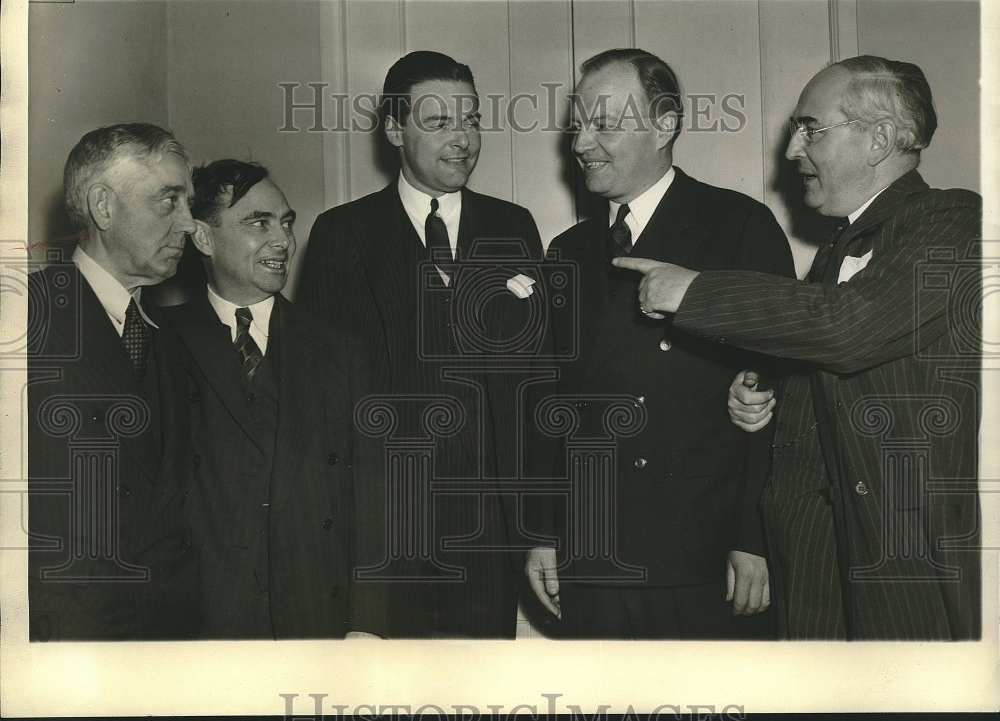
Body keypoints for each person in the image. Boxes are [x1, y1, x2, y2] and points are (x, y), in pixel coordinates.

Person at [616, 55, 982, 640]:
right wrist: (769, 396)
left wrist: (697, 291)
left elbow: (850, 327)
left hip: (906, 567)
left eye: (811, 129)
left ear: (879, 139)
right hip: (818, 568)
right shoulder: (836, 250)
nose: (791, 150)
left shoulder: (953, 220)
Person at [524, 48, 795, 638]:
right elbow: (551, 403)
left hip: (702, 552)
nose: (582, 143)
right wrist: (545, 532)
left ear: (665, 125)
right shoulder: (567, 251)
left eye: (605, 125)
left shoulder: (738, 226)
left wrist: (755, 539)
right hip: (593, 550)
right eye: (578, 124)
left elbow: (774, 394)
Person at [296, 51, 550, 638]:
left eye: (471, 120)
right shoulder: (342, 234)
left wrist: (538, 526)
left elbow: (538, 382)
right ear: (393, 129)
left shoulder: (514, 227)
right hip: (383, 529)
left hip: (490, 531)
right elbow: (316, 397)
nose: (462, 139)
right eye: (439, 123)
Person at [162, 159, 383, 639]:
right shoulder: (163, 344)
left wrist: (368, 624)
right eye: (257, 222)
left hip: (317, 619)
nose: (282, 239)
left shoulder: (340, 347)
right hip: (205, 624)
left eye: (285, 223)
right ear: (203, 237)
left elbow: (375, 495)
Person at [27, 123, 200, 641]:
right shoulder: (24, 318)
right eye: (169, 201)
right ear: (103, 206)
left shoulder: (170, 340)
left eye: (188, 203)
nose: (190, 224)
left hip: (167, 642)